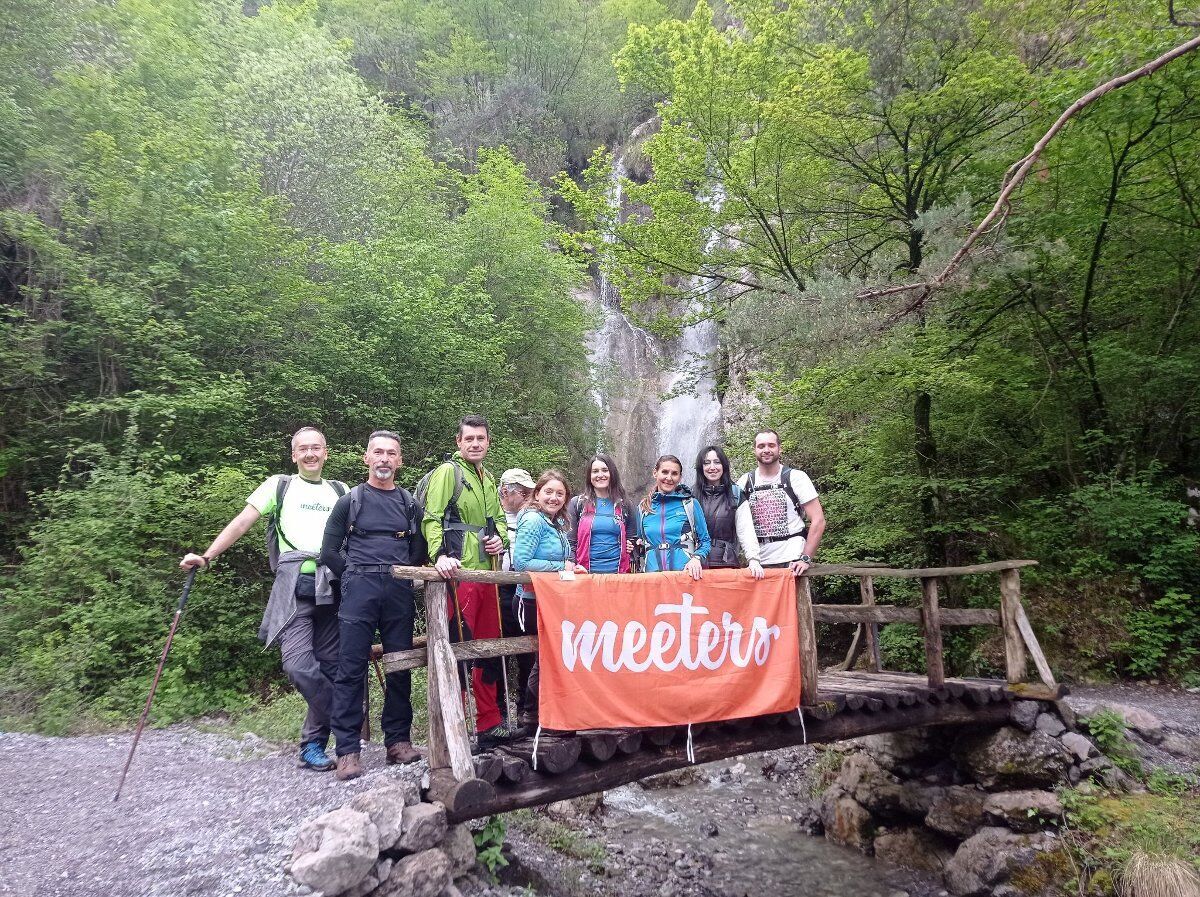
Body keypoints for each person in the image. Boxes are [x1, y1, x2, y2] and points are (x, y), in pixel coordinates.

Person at [180, 427, 347, 772]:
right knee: (298, 665)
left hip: (333, 586)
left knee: (330, 665)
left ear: (326, 453)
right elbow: (242, 523)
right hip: (293, 587)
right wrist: (207, 556)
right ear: (294, 455)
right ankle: (344, 716)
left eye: (316, 448)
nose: (310, 454)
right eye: (303, 449)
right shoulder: (279, 486)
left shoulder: (341, 490)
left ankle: (313, 745)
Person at [318, 430, 425, 780]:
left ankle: (398, 741)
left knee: (399, 665)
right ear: (366, 458)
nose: (384, 459)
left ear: (400, 460)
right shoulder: (350, 501)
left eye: (391, 453)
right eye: (377, 452)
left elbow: (419, 550)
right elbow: (329, 551)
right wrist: (351, 575)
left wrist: (402, 577)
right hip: (358, 588)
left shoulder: (410, 504)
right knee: (350, 668)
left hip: (397, 588)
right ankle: (347, 750)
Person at [423, 414, 512, 749]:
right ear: (459, 442)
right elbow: (431, 518)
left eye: (481, 438)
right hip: (459, 576)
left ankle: (489, 721)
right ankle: (455, 723)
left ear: (488, 442)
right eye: (469, 439)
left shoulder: (488, 477)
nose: (476, 444)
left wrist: (500, 540)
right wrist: (439, 555)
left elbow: (500, 520)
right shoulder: (450, 472)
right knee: (459, 649)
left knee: (488, 648)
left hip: (487, 574)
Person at [511, 469, 587, 732]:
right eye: (549, 492)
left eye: (560, 493)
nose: (554, 497)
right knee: (542, 657)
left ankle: (537, 714)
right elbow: (521, 563)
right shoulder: (533, 520)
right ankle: (531, 715)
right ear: (537, 493)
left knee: (546, 657)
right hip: (530, 600)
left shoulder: (554, 522)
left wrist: (570, 568)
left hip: (549, 600)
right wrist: (561, 566)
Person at [735, 429, 826, 578]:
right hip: (759, 563)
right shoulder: (745, 481)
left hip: (792, 560)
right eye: (761, 446)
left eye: (771, 445)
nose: (766, 450)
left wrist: (805, 558)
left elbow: (818, 520)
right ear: (754, 450)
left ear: (779, 448)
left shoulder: (796, 478)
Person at [497, 468, 536, 722]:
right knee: (497, 652)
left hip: (525, 590)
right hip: (498, 588)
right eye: (521, 492)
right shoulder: (492, 516)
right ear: (504, 492)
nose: (527, 497)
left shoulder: (532, 518)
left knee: (528, 652)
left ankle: (525, 710)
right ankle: (497, 715)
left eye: (529, 492)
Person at [638, 454, 711, 579]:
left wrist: (697, 558)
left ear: (680, 477)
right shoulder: (643, 507)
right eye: (665, 472)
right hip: (652, 577)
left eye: (674, 473)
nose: (669, 478)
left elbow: (705, 541)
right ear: (655, 473)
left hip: (684, 575)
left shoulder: (690, 504)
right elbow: (641, 542)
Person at [565, 453, 638, 574]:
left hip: (618, 574)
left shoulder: (625, 504)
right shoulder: (577, 504)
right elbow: (570, 541)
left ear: (612, 473)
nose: (600, 475)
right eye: (595, 471)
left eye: (605, 470)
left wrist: (631, 544)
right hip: (584, 573)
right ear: (589, 476)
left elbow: (632, 538)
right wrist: (571, 564)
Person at [694, 445, 743, 569]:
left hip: (726, 562)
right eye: (706, 463)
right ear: (701, 467)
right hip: (696, 563)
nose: (712, 467)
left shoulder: (736, 494)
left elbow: (745, 530)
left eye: (717, 462)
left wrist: (753, 559)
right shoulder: (690, 496)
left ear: (724, 466)